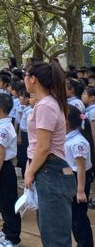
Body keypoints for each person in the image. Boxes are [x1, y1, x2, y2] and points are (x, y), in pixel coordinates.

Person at [24, 61, 76, 247]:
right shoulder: (47, 103)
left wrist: (30, 172)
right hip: (48, 169)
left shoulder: (46, 105)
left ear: (33, 79)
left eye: (26, 75)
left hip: (50, 170)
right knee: (51, 231)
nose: (24, 79)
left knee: (55, 237)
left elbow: (44, 147)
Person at [0, 93, 21, 247]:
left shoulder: (4, 128)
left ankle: (13, 238)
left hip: (3, 167)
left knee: (8, 203)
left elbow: (1, 153)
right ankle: (6, 231)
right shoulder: (0, 124)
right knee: (3, 202)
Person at [65, 105, 94, 247]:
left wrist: (81, 191)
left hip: (79, 181)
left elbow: (81, 167)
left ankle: (85, 244)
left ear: (67, 122)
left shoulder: (78, 142)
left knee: (79, 219)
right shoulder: (69, 138)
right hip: (72, 179)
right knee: (74, 218)